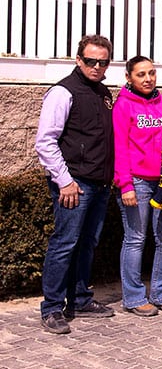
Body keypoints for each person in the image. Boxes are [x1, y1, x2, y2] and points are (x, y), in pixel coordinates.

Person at [35, 34, 116, 334]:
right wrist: (65, 181)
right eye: (91, 61)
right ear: (78, 60)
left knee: (86, 244)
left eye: (103, 62)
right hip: (74, 184)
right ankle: (52, 308)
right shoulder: (63, 92)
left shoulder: (103, 93)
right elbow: (45, 142)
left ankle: (79, 299)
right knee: (64, 244)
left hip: (99, 184)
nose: (97, 66)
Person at [113, 56, 162, 317]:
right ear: (129, 78)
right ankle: (133, 297)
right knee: (135, 239)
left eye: (151, 73)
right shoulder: (123, 106)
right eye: (141, 74)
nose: (148, 79)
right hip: (138, 182)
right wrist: (125, 185)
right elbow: (119, 147)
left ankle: (161, 293)